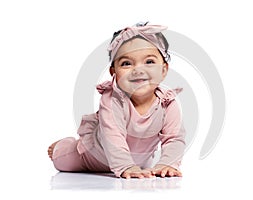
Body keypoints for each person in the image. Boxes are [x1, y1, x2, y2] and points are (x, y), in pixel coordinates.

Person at [48, 22, 186, 179]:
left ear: (164, 70)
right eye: (126, 63)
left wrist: (167, 164)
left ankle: (133, 164)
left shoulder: (167, 103)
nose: (138, 70)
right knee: (64, 162)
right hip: (94, 156)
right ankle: (64, 145)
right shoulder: (113, 99)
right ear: (114, 72)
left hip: (138, 161)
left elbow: (174, 138)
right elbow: (112, 136)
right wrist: (126, 165)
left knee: (145, 166)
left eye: (149, 61)